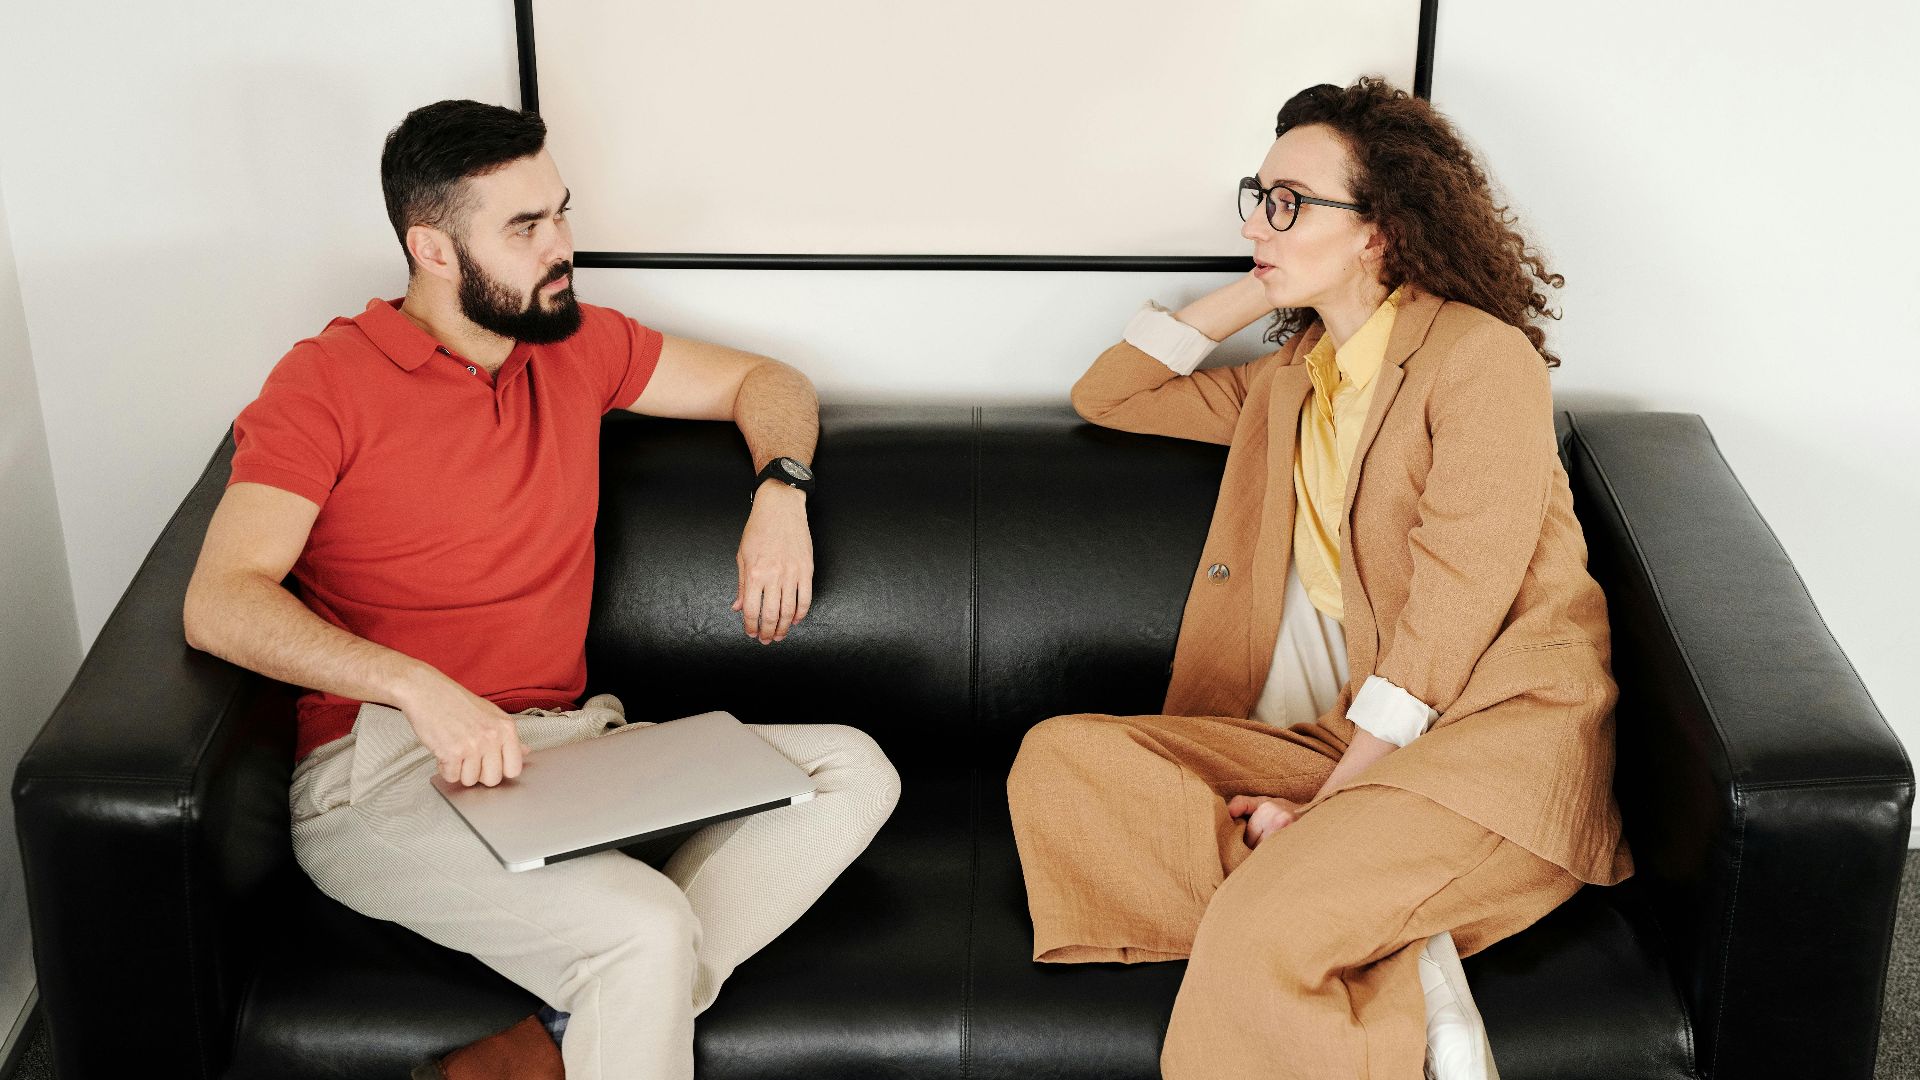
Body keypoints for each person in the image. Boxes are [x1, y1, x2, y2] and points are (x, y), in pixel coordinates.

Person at [181, 99, 900, 1080]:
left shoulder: (575, 344)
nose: (564, 247)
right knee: (642, 931)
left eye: (559, 213)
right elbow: (221, 599)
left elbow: (766, 382)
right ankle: (610, 999)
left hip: (565, 750)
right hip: (388, 770)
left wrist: (782, 491)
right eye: (525, 228)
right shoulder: (322, 383)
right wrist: (419, 688)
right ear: (432, 248)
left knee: (852, 770)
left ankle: (563, 1041)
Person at [1006, 78, 1631, 1080]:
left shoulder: (1482, 360)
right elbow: (1108, 394)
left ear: (1379, 229)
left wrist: (1332, 806)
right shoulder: (1292, 378)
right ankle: (1398, 948)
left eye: (1289, 201)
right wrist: (1268, 276)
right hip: (1348, 736)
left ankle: (1327, 903)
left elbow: (1452, 609)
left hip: (1489, 747)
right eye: (1257, 196)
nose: (1261, 217)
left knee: (1264, 921)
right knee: (1061, 763)